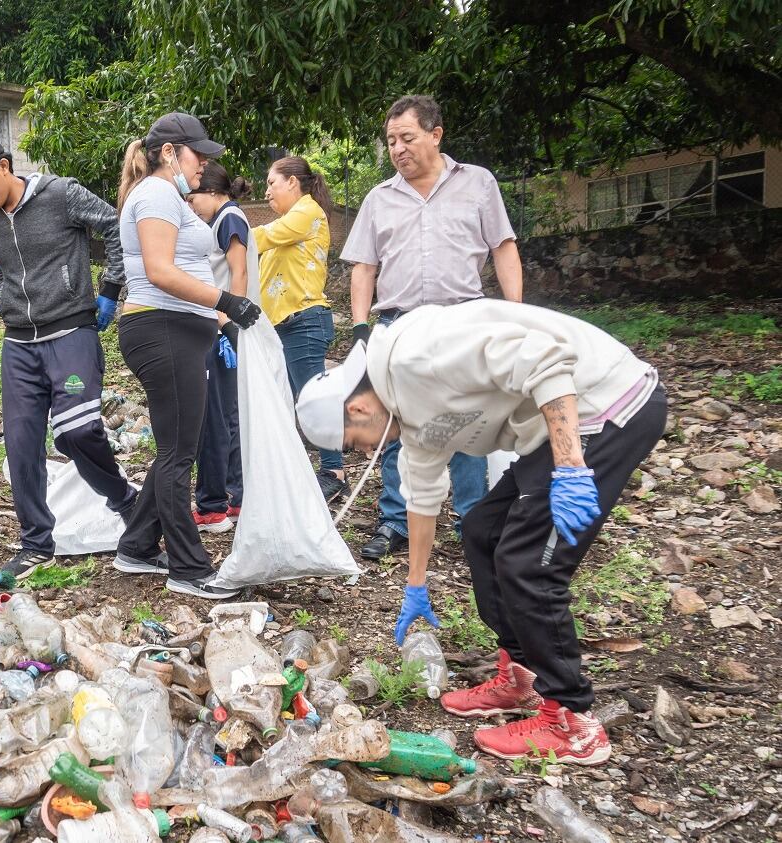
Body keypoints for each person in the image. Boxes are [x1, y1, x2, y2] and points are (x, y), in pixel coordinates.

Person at [296, 299, 664, 765]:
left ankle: (571, 720)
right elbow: (423, 496)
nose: (365, 452)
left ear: (360, 407)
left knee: (528, 564)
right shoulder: (407, 415)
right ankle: (522, 676)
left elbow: (546, 359)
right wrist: (415, 585)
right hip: (557, 427)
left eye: (354, 442)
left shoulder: (420, 355)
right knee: (482, 530)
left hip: (606, 405)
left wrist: (571, 466)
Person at [341, 94, 523, 560]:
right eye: (391, 141)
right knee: (395, 426)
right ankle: (396, 520)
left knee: (467, 422)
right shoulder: (379, 199)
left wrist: (516, 313)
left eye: (407, 137)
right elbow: (364, 267)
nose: (397, 149)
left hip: (462, 322)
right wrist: (361, 328)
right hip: (398, 326)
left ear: (436, 134)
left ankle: (471, 520)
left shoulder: (477, 183)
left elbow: (503, 247)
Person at [0, 134, 136, 577]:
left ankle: (127, 503)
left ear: (4, 165)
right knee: (20, 444)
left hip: (70, 334)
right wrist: (5, 300)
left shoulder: (60, 194)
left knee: (77, 432)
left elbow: (115, 227)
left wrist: (110, 288)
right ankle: (36, 542)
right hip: (19, 345)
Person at [113, 112, 264, 599]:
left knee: (178, 446)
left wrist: (218, 315)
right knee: (179, 454)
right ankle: (189, 568)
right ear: (169, 153)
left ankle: (137, 546)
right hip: (162, 329)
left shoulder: (167, 196)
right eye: (198, 154)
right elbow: (159, 270)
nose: (204, 164)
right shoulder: (156, 194)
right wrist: (226, 301)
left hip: (175, 330)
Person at [254, 155, 346, 503]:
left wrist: (224, 230)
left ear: (292, 182)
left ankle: (334, 472)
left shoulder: (306, 212)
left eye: (271, 183)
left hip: (303, 321)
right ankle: (304, 474)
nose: (267, 191)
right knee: (294, 402)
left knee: (312, 401)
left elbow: (259, 237)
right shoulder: (290, 220)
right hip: (285, 325)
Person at [180, 163, 249, 534]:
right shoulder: (227, 218)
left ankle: (211, 506)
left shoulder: (227, 219)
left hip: (221, 327)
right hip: (227, 327)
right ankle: (234, 498)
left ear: (210, 191)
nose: (192, 207)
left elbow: (238, 273)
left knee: (214, 418)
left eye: (193, 199)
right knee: (229, 415)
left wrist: (228, 321)